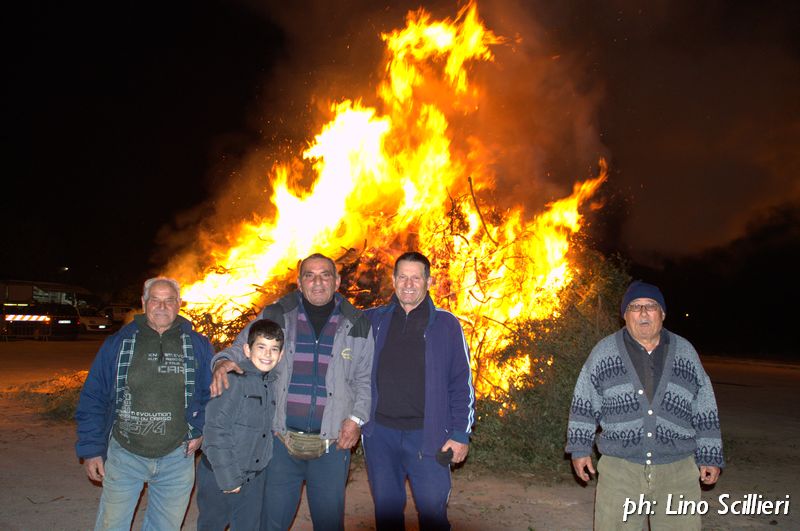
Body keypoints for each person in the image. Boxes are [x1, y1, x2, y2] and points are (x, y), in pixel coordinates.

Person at [212, 253, 374, 531]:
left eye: (325, 275)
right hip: (280, 441)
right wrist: (223, 361)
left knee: (329, 523)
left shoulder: (357, 322)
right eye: (309, 275)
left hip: (332, 444)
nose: (317, 282)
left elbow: (364, 378)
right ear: (299, 282)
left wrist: (356, 419)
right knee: (273, 522)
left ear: (337, 282)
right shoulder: (277, 314)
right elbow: (243, 345)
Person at [566, 280, 724, 530]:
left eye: (650, 306)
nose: (642, 312)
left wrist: (711, 455)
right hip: (620, 470)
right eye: (635, 306)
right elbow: (584, 401)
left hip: (677, 471)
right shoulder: (604, 352)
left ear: (662, 314)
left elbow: (705, 406)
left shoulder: (685, 352)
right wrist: (579, 447)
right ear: (624, 316)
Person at [75, 277, 213, 530]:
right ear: (143, 303)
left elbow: (210, 394)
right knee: (111, 525)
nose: (162, 306)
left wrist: (201, 428)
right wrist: (92, 448)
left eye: (169, 300)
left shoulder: (197, 345)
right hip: (125, 454)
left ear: (179, 304)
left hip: (177, 457)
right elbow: (94, 396)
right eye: (155, 300)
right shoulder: (118, 344)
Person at [363, 251, 475, 530]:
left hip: (429, 436)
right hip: (380, 437)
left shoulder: (446, 324)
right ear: (393, 280)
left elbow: (461, 383)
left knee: (433, 515)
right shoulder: (372, 320)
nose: (409, 284)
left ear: (429, 282)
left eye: (416, 278)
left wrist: (460, 434)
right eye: (403, 277)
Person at [197, 319, 284, 530]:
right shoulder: (232, 380)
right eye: (261, 347)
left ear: (281, 355)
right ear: (247, 349)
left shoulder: (271, 383)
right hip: (220, 473)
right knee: (212, 525)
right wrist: (229, 479)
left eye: (274, 349)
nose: (267, 354)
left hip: (253, 476)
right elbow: (216, 430)